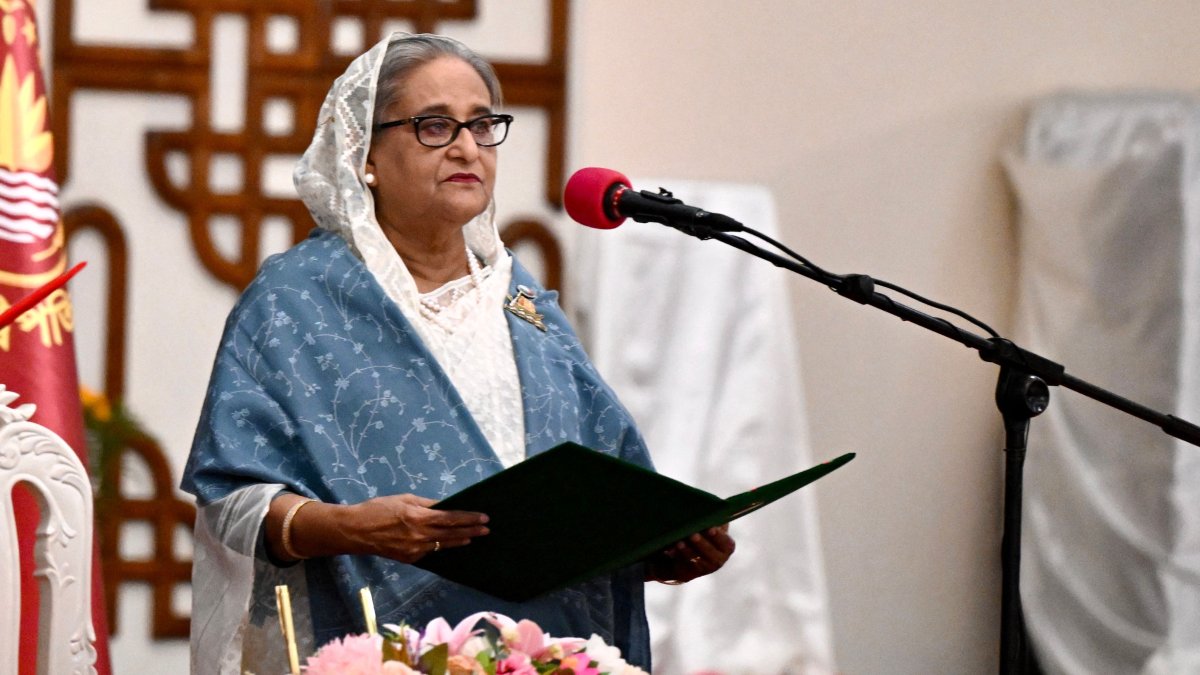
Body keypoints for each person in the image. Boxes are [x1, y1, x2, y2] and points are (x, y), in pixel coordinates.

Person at [180, 32, 735, 674]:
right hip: (381, 650)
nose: (467, 147)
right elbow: (232, 500)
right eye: (434, 126)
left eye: (482, 125)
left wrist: (661, 546)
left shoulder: (522, 302)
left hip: (543, 653)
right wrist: (348, 527)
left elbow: (599, 492)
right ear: (365, 154)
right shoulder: (293, 301)